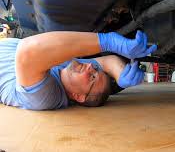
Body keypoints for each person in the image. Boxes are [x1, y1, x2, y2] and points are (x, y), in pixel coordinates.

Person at [0, 30, 157, 110]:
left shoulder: (46, 97)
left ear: (79, 96)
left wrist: (108, 41)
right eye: (95, 69)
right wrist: (120, 73)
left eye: (93, 77)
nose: (90, 67)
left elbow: (28, 50)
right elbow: (108, 62)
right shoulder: (69, 73)